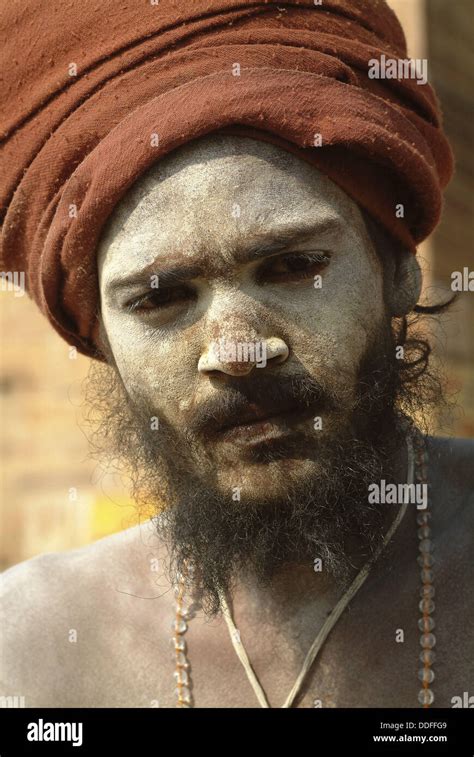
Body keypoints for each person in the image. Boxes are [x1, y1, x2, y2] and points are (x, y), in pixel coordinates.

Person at [0, 1, 472, 708]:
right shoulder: (29, 650)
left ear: (399, 268)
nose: (238, 351)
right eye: (161, 299)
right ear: (95, 335)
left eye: (292, 266)